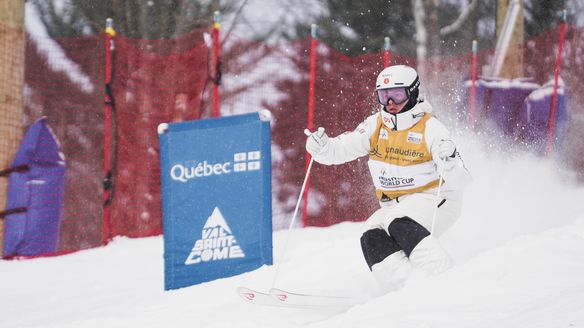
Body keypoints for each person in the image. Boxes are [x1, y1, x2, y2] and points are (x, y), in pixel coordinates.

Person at [305, 65, 471, 293]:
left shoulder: (431, 128)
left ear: (412, 93)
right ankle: (404, 287)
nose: (390, 102)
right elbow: (340, 149)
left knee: (399, 222)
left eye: (397, 94)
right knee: (371, 234)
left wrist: (450, 160)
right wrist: (322, 148)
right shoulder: (375, 125)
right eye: (384, 96)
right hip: (397, 204)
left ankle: (444, 277)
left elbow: (461, 180)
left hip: (437, 199)